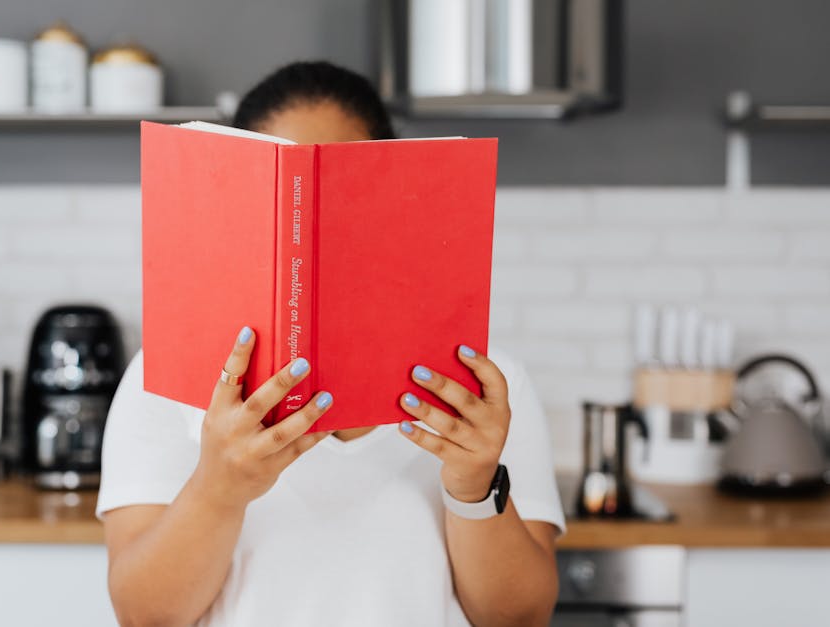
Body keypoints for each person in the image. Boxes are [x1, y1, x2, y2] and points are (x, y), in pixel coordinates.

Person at [98, 61, 565, 627]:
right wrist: (218, 489)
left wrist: (474, 485)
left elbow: (518, 618)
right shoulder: (165, 376)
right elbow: (144, 616)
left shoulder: (481, 387)